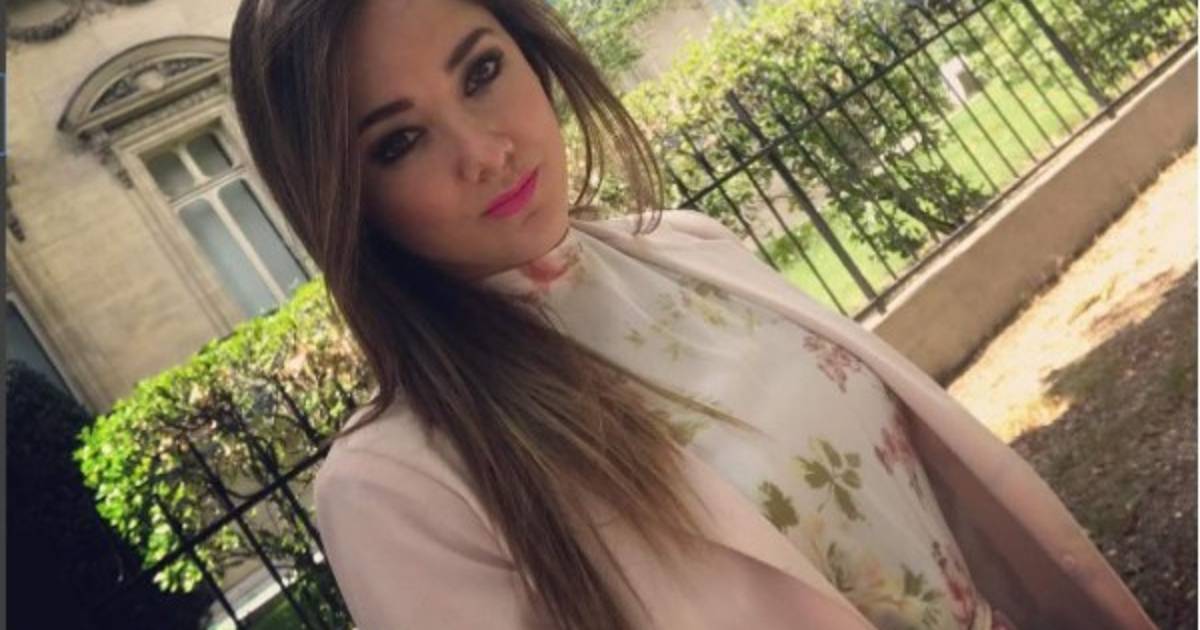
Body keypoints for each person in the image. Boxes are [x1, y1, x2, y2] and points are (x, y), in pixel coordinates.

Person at [227, 1, 1154, 629]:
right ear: (343, 197)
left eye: (481, 72)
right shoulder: (397, 488)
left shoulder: (688, 248)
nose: (484, 151)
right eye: (398, 141)